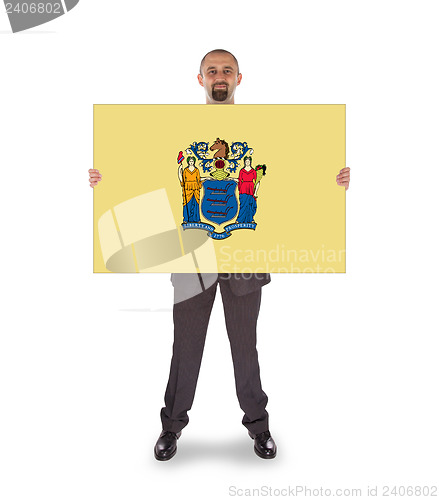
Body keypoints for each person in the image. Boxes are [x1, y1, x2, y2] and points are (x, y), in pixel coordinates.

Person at [88, 49, 351, 461]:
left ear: (239, 78)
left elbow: (292, 176)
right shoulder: (172, 131)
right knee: (186, 348)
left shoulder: (267, 131)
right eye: (212, 70)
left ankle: (258, 427)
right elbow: (144, 171)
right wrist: (109, 178)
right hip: (191, 263)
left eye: (227, 70)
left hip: (244, 263)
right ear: (200, 80)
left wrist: (330, 179)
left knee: (245, 349)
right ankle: (171, 427)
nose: (219, 76)